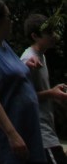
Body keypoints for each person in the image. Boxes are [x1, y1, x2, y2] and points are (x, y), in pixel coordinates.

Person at [0, 0, 45, 163]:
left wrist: (25, 65)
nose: (11, 21)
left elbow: (7, 73)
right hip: (8, 137)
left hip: (28, 129)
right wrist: (12, 134)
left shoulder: (4, 45)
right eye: (8, 16)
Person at [21, 13, 67, 164]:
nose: (54, 36)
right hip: (40, 131)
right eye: (49, 33)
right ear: (35, 36)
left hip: (47, 127)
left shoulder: (42, 56)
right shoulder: (28, 59)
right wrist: (51, 93)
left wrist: (54, 93)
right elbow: (23, 97)